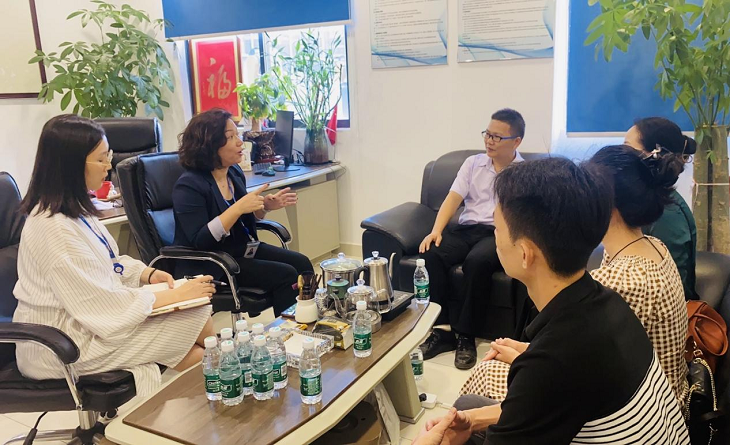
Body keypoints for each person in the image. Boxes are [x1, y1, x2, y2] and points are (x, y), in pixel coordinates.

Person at [427, 157, 689, 444]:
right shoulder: (608, 302)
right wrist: (477, 417)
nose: (494, 238)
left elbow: (555, 376)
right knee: (467, 409)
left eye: (497, 229)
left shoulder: (553, 364)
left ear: (525, 254)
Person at [13, 115, 216, 396]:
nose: (109, 165)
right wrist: (174, 296)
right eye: (101, 159)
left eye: (108, 155)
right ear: (72, 165)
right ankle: (230, 390)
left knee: (194, 324)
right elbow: (99, 304)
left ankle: (219, 394)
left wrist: (146, 274)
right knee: (191, 323)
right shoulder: (54, 228)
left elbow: (108, 262)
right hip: (59, 343)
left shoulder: (75, 211)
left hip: (84, 324)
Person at [172, 108, 313, 316]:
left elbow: (243, 220)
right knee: (286, 275)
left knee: (302, 263)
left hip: (240, 250)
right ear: (210, 144)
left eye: (237, 135)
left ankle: (308, 319)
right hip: (212, 262)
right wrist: (238, 207)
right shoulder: (189, 186)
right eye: (231, 137)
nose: (240, 142)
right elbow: (201, 240)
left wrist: (264, 207)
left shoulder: (234, 173)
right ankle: (290, 329)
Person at [418, 108, 525, 370]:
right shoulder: (473, 163)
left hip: (497, 233)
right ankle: (442, 330)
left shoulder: (523, 172)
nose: (489, 141)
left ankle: (466, 336)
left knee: (477, 262)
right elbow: (453, 198)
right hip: (466, 230)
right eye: (487, 134)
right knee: (432, 253)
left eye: (497, 137)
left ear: (516, 141)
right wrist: (436, 231)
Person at [625, 116, 698, 300]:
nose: (620, 154)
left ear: (653, 157)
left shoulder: (667, 214)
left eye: (627, 148)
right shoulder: (645, 202)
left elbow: (673, 290)